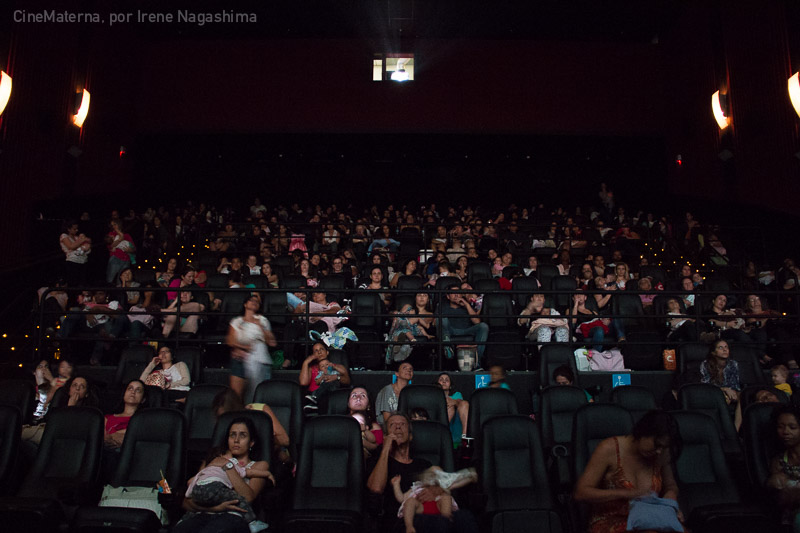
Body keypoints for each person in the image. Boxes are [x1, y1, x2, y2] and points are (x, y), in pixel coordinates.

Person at [573, 410, 685, 533]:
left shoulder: (661, 453)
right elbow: (581, 493)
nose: (659, 451)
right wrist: (626, 494)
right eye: (657, 445)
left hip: (649, 517)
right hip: (612, 520)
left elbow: (670, 485)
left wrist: (670, 499)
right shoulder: (609, 448)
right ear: (644, 432)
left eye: (663, 447)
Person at [367, 413, 479, 533]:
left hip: (434, 509)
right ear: (385, 436)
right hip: (404, 518)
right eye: (392, 425)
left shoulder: (424, 464)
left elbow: (443, 482)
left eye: (402, 424)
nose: (398, 427)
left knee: (465, 517)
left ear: (410, 436)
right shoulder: (379, 461)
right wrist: (385, 448)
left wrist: (436, 490)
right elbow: (376, 488)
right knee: (440, 523)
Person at [175, 417, 272, 533]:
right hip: (201, 513)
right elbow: (187, 502)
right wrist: (215, 508)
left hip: (232, 515)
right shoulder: (214, 461)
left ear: (251, 442)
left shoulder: (258, 466)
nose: (236, 440)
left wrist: (228, 467)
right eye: (232, 435)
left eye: (242, 435)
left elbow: (248, 498)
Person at [392, 466, 478, 533]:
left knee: (446, 497)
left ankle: (447, 519)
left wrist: (471, 476)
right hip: (421, 507)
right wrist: (396, 485)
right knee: (410, 502)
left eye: (437, 476)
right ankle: (409, 526)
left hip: (439, 506)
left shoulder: (443, 486)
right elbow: (402, 498)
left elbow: (459, 480)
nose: (433, 478)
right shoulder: (417, 486)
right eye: (431, 475)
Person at [227, 294, 277, 403]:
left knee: (256, 397)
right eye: (251, 300)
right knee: (237, 396)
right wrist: (245, 348)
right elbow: (231, 341)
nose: (254, 302)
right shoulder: (237, 321)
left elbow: (272, 342)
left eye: (257, 301)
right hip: (240, 359)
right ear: (245, 304)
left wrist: (260, 327)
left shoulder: (263, 320)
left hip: (260, 359)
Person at [101, 379, 147, 482]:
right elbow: (100, 437)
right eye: (130, 388)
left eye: (138, 390)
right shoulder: (108, 418)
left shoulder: (143, 419)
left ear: (143, 399)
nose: (133, 392)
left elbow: (133, 439)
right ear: (124, 394)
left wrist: (111, 436)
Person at [767, 405, 800, 530]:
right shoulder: (778, 462)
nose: (785, 431)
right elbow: (781, 500)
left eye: (792, 427)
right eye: (780, 427)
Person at [439, 286, 489, 363]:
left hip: (466, 330)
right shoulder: (442, 306)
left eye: (458, 293)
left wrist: (466, 304)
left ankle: (476, 360)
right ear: (448, 297)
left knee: (483, 326)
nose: (456, 295)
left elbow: (477, 322)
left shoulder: (468, 306)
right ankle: (447, 345)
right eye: (453, 293)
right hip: (450, 331)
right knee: (442, 319)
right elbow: (434, 323)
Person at [299, 342, 351, 408]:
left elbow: (347, 381)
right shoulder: (310, 368)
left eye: (321, 349)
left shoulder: (336, 367)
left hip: (332, 398)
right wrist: (306, 362)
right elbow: (303, 383)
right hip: (313, 398)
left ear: (327, 352)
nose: (319, 352)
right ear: (313, 355)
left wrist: (336, 377)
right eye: (316, 351)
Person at [699, 340, 741, 406]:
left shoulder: (733, 364)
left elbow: (735, 385)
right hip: (712, 393)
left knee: (739, 397)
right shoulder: (705, 364)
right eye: (720, 348)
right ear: (713, 352)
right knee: (723, 399)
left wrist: (730, 393)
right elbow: (706, 386)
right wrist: (724, 389)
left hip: (730, 392)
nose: (725, 350)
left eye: (726, 347)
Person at [346, 386, 383, 457]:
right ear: (348, 403)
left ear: (368, 404)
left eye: (363, 396)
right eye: (354, 395)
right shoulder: (341, 422)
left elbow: (377, 449)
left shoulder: (374, 426)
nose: (358, 398)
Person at [376, 362, 414, 426]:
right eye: (405, 368)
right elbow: (386, 418)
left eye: (411, 369)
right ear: (397, 373)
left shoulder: (412, 392)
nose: (409, 370)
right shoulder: (387, 390)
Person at [436, 372, 469, 446]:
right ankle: (441, 436)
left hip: (455, 426)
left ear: (450, 386)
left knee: (463, 404)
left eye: (447, 380)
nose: (444, 381)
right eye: (441, 379)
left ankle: (464, 437)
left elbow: (462, 404)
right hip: (438, 424)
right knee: (450, 407)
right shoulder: (432, 395)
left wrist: (454, 402)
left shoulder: (456, 394)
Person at [59, 220, 91, 286]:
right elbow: (71, 246)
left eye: (77, 228)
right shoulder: (64, 236)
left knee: (83, 283)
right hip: (72, 262)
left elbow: (87, 247)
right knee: (73, 283)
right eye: (74, 229)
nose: (76, 230)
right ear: (68, 229)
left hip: (83, 261)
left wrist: (85, 246)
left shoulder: (77, 237)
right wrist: (82, 240)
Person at [106, 219, 136, 284]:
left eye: (115, 224)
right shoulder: (111, 234)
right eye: (112, 225)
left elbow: (134, 248)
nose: (113, 226)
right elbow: (110, 246)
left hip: (126, 259)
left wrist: (130, 250)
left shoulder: (127, 235)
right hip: (116, 258)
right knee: (110, 279)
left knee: (121, 281)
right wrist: (120, 238)